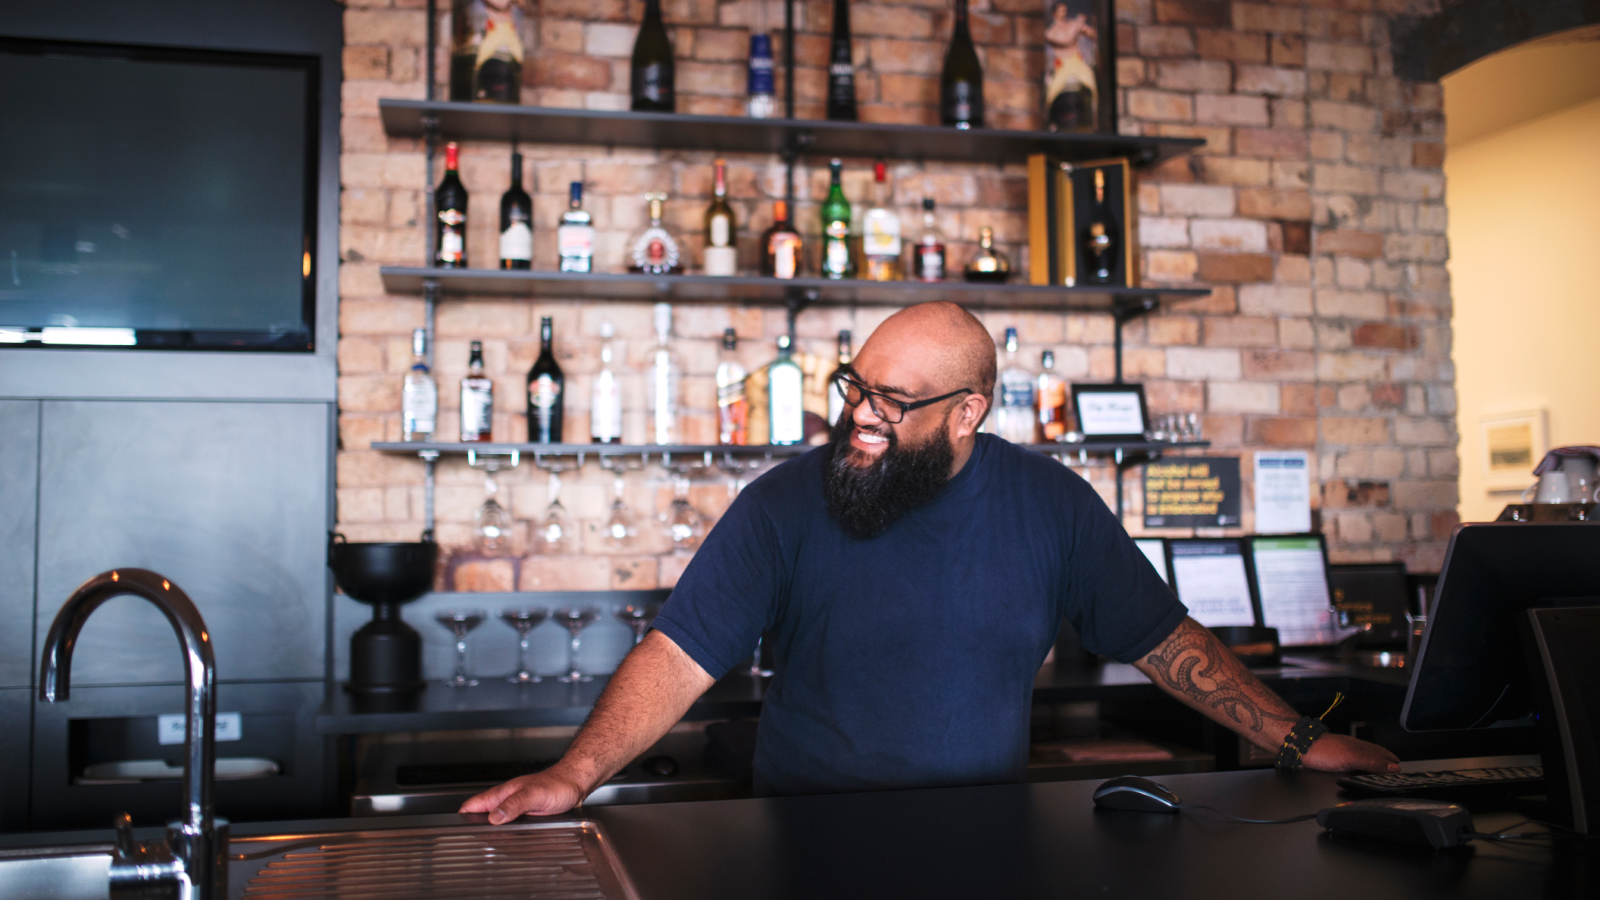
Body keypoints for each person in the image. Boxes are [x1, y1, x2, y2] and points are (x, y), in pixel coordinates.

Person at [464, 302, 1400, 822]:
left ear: (966, 413)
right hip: (803, 841)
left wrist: (1296, 738)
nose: (863, 415)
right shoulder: (784, 504)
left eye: (894, 401)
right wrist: (573, 775)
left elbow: (1164, 640)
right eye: (856, 387)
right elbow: (679, 653)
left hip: (987, 840)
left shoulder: (1052, 506)